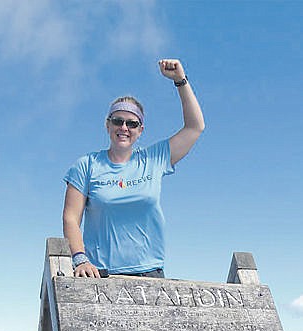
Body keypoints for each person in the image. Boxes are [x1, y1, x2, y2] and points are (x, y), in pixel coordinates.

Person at [62, 59, 204, 278]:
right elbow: (71, 218)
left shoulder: (154, 158)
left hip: (151, 274)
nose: (124, 128)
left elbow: (195, 127)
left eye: (132, 123)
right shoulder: (86, 165)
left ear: (141, 130)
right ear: (107, 125)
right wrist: (80, 259)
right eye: (118, 121)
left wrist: (180, 81)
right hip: (100, 275)